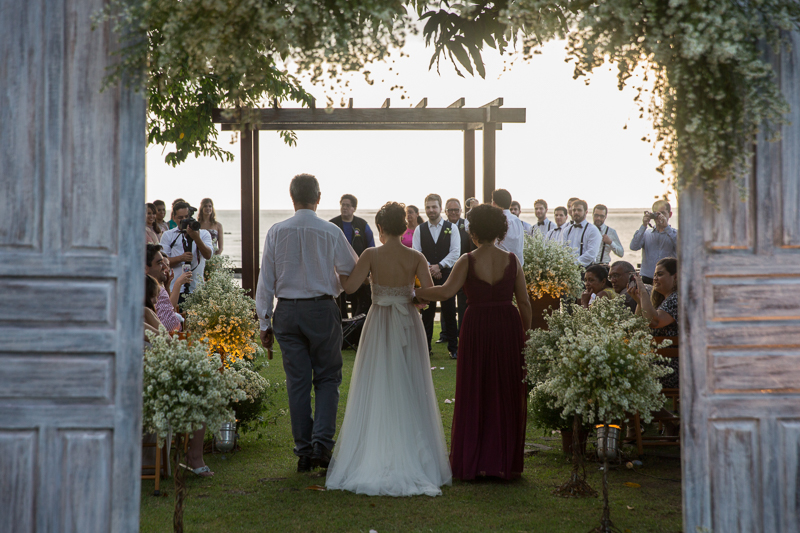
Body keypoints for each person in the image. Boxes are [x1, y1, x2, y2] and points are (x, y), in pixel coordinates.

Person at [325, 202, 452, 496]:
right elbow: (427, 296)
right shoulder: (416, 256)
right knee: (409, 382)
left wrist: (336, 270)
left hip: (380, 322)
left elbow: (352, 287)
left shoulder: (371, 254)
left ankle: (377, 448)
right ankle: (415, 453)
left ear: (380, 229)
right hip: (408, 323)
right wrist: (409, 296)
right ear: (404, 227)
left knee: (379, 381)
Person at [415, 204, 531, 480]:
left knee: (476, 388)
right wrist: (524, 335)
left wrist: (413, 292)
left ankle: (476, 460)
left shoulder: (467, 260)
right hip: (507, 325)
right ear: (501, 230)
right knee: (504, 390)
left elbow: (444, 292)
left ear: (473, 230)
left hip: (477, 324)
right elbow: (524, 303)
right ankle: (503, 461)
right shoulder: (513, 260)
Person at [256, 174, 358, 472]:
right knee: (327, 378)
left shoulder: (276, 231)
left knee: (297, 382)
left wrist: (264, 323)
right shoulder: (330, 231)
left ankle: (303, 450)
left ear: (292, 198)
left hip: (286, 311)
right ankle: (321, 446)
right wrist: (333, 286)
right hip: (322, 309)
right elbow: (351, 270)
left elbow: (266, 281)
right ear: (319, 197)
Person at [628, 257, 679, 434]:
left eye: (660, 274)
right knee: (620, 374)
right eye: (654, 275)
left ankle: (637, 429)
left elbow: (655, 322)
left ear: (676, 277)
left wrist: (643, 291)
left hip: (673, 369)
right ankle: (668, 423)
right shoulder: (666, 300)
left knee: (625, 379)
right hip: (660, 364)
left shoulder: (677, 299)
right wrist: (639, 299)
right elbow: (638, 326)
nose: (655, 278)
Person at [412, 193, 460, 359]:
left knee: (449, 312)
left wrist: (439, 266)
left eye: (434, 207)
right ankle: (425, 348)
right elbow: (416, 252)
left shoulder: (451, 227)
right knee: (427, 312)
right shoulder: (420, 229)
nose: (431, 210)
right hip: (426, 276)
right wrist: (429, 268)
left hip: (447, 275)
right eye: (428, 207)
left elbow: (455, 252)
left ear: (440, 208)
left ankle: (454, 348)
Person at [160, 202, 213, 307]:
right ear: (174, 218)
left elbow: (208, 255)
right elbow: (162, 262)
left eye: (186, 217)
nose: (184, 220)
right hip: (175, 289)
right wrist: (181, 258)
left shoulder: (203, 234)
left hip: (196, 288)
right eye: (180, 217)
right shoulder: (168, 235)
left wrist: (196, 238)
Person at [331, 194, 375, 317]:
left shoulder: (362, 225)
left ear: (354, 208)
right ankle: (341, 333)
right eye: (342, 205)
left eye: (347, 205)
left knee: (359, 310)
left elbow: (371, 249)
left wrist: (367, 274)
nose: (344, 208)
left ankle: (356, 335)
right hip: (337, 275)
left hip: (359, 273)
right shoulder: (332, 225)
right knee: (340, 310)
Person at [629, 200, 677, 284]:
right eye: (656, 214)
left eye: (663, 213)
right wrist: (644, 225)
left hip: (668, 280)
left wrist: (666, 228)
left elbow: (683, 249)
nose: (659, 217)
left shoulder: (676, 234)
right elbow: (633, 247)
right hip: (647, 279)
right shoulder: (646, 234)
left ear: (670, 215)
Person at [443, 198, 471, 342]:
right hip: (446, 270)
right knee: (445, 301)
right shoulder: (442, 227)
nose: (453, 212)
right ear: (445, 211)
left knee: (462, 303)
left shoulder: (466, 226)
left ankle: (462, 332)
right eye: (450, 210)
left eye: (456, 210)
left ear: (461, 211)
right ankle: (446, 334)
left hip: (463, 270)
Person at [145, 244, 188, 332]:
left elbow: (168, 308)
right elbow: (164, 326)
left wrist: (167, 286)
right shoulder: (147, 289)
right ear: (145, 268)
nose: (165, 267)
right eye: (160, 263)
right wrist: (178, 283)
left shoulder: (157, 286)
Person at [491, 189, 525, 266]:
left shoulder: (496, 220)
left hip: (499, 266)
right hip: (517, 266)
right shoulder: (517, 220)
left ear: (494, 203)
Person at [565, 199, 601, 268]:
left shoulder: (593, 230)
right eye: (574, 210)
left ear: (586, 212)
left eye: (579, 210)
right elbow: (562, 249)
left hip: (586, 269)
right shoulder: (566, 230)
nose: (576, 212)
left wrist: (574, 264)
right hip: (568, 270)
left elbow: (591, 253)